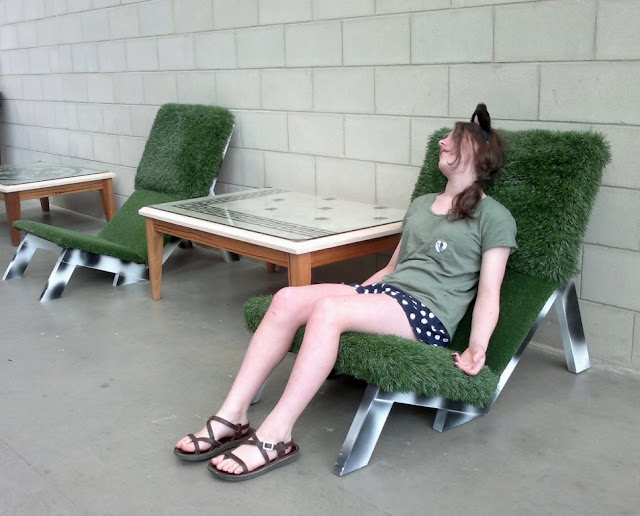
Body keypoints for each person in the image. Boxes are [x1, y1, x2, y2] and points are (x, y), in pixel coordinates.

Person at [174, 103, 517, 481]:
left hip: (426, 315)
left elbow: (489, 292)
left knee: (329, 311)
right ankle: (232, 416)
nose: (441, 142)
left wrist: (478, 346)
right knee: (287, 299)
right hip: (389, 295)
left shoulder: (494, 217)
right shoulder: (421, 204)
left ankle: (276, 435)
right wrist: (357, 292)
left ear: (475, 151)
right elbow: (391, 268)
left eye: (452, 138)